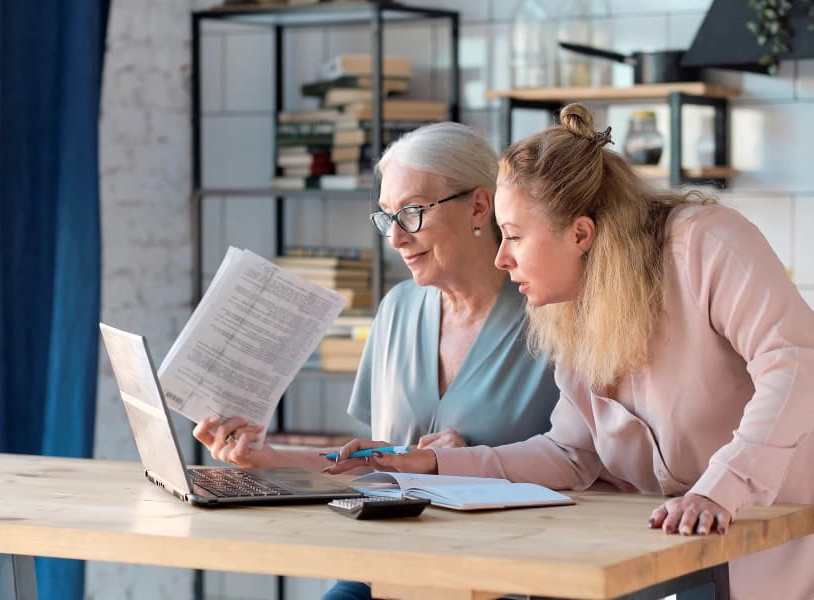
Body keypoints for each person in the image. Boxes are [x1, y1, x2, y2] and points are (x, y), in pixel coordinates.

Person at [329, 103, 814, 600]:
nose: (502, 258)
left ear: (580, 233)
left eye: (513, 236)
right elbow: (570, 454)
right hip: (713, 553)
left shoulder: (705, 245)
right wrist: (434, 465)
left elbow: (797, 363)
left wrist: (720, 487)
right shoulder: (568, 305)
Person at [193, 122, 561, 600]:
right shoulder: (397, 308)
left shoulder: (551, 315)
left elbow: (585, 466)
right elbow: (380, 469)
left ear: (478, 205)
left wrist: (451, 462)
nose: (395, 238)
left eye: (411, 212)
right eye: (387, 217)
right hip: (388, 568)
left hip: (506, 576)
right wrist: (265, 460)